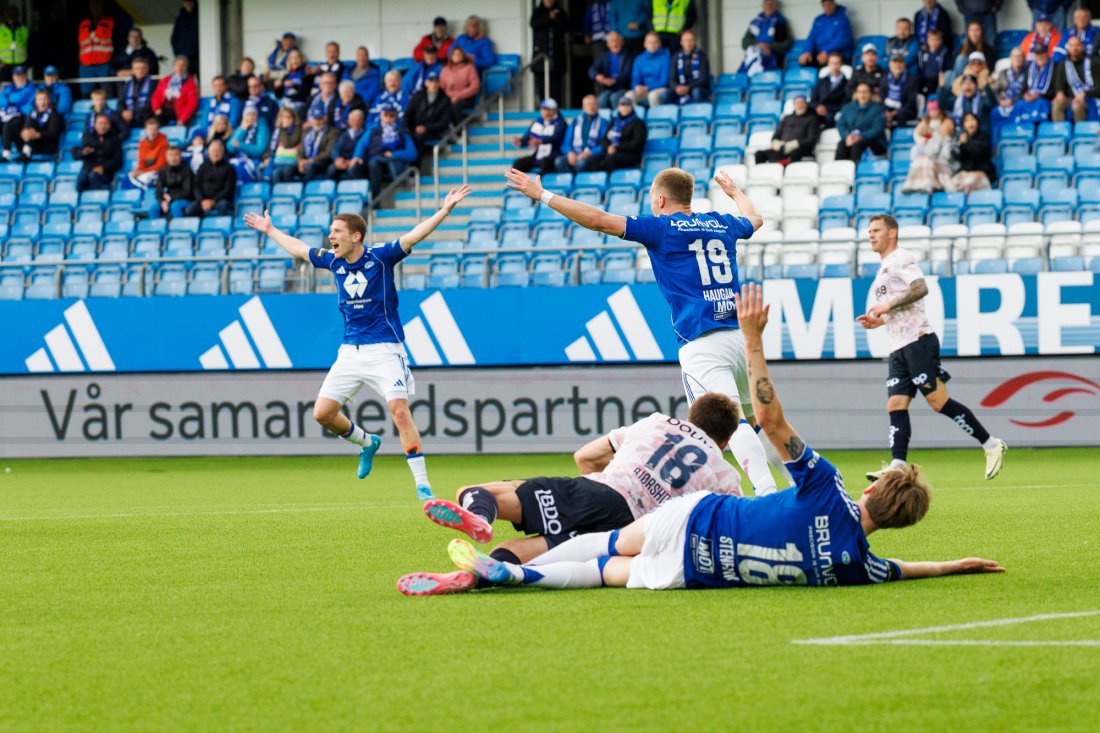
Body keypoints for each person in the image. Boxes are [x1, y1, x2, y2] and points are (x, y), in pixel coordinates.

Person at [427, 283, 1005, 595]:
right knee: (603, 574)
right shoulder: (856, 563)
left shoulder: (827, 490)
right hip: (702, 569)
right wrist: (957, 564)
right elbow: (905, 568)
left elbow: (773, 423)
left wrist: (752, 342)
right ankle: (515, 574)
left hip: (692, 521)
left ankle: (506, 554)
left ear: (874, 490)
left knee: (599, 551)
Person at [503, 166, 791, 496]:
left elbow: (599, 220)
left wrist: (543, 195)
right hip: (741, 337)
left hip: (703, 342)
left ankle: (767, 495)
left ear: (660, 199)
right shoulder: (720, 221)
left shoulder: (662, 227)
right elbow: (754, 220)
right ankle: (805, 484)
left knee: (734, 421)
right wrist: (735, 194)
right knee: (760, 420)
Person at [244, 185, 473, 499]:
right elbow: (299, 249)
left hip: (385, 349)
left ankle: (422, 484)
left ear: (356, 236)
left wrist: (444, 211)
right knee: (322, 414)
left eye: (337, 231)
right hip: (349, 352)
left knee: (400, 411)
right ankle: (367, 442)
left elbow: (413, 236)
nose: (330, 236)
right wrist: (270, 230)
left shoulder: (381, 257)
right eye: (330, 231)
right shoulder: (333, 262)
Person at [407, 392, 743, 592]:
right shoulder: (724, 472)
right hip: (625, 537)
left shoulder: (657, 421)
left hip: (599, 491)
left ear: (690, 414)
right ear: (725, 441)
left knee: (481, 490)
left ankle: (479, 516)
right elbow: (732, 524)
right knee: (531, 550)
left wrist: (589, 494)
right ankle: (470, 578)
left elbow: (585, 456)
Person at [858, 216, 1007, 480]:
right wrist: (879, 321)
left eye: (876, 230)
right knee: (895, 404)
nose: (871, 235)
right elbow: (900, 308)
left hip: (918, 341)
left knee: (939, 402)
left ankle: (991, 444)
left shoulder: (901, 258)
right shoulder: (883, 268)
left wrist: (887, 306)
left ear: (892, 233)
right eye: (869, 231)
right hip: (898, 346)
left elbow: (920, 288)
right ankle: (898, 464)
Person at [991, 45, 1052, 130]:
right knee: (995, 112)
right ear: (1010, 58)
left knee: (1021, 106)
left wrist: (1018, 98)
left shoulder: (1029, 70)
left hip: (1019, 101)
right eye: (1014, 56)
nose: (1017, 59)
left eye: (1019, 56)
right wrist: (1001, 101)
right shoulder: (1003, 73)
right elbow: (995, 91)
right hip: (1005, 102)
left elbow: (1026, 89)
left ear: (1023, 58)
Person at [366, 104, 419, 199]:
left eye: (392, 115)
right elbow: (362, 145)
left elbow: (412, 154)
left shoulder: (402, 132)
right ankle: (375, 200)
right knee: (373, 164)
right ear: (381, 116)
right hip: (377, 161)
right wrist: (356, 157)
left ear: (396, 117)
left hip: (395, 163)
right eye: (386, 114)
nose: (389, 118)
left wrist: (394, 154)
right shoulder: (373, 130)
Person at [273, 109, 336, 183]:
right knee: (288, 169)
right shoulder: (307, 132)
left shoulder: (332, 132)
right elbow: (301, 150)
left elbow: (328, 153)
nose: (317, 122)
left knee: (309, 167)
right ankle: (290, 191)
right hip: (306, 162)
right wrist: (300, 161)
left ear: (324, 119)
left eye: (320, 119)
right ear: (311, 120)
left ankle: (307, 190)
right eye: (315, 119)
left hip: (321, 162)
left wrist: (310, 160)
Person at [755, 93, 818, 164]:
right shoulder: (787, 118)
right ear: (794, 105)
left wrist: (796, 143)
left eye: (802, 102)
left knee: (793, 155)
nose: (800, 105)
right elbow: (775, 136)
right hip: (782, 148)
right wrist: (776, 143)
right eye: (797, 103)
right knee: (759, 154)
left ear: (806, 105)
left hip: (799, 149)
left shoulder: (812, 119)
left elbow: (811, 139)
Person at [902, 110, 955, 193]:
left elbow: (946, 156)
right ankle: (911, 184)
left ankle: (928, 184)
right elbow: (930, 151)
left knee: (926, 160)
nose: (949, 127)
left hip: (947, 169)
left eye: (951, 124)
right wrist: (939, 138)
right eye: (946, 124)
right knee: (921, 159)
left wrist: (945, 139)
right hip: (934, 166)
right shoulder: (936, 137)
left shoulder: (955, 139)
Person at [590, 95, 646, 171]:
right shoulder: (613, 122)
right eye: (622, 105)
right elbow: (604, 140)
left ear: (631, 107)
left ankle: (614, 181)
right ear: (618, 107)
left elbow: (637, 144)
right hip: (612, 152)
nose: (625, 107)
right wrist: (608, 147)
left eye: (627, 105)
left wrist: (617, 147)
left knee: (610, 159)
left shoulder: (638, 123)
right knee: (594, 159)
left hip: (630, 155)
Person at [4, 89, 62, 162]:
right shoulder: (33, 113)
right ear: (36, 102)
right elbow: (26, 127)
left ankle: (26, 152)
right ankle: (6, 154)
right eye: (40, 99)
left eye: (45, 99)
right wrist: (24, 133)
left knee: (32, 124)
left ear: (49, 101)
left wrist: (38, 135)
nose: (42, 102)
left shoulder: (54, 115)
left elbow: (53, 133)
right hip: (30, 144)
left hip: (45, 146)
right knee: (10, 123)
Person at [1051, 35, 1100, 122]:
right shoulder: (1063, 65)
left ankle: (1080, 133)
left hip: (1091, 97)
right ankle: (1061, 133)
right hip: (1071, 98)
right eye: (1072, 46)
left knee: (1077, 106)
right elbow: (1059, 84)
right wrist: (1060, 92)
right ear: (1068, 48)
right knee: (1057, 104)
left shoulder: (1093, 63)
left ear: (1083, 47)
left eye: (1077, 45)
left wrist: (1085, 94)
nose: (1074, 48)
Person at [404, 71, 452, 158]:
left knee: (418, 137)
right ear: (426, 83)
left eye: (436, 81)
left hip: (433, 131)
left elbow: (444, 122)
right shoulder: (417, 96)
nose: (433, 84)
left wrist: (426, 128)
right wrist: (408, 127)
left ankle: (417, 165)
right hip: (415, 128)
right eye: (431, 81)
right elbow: (408, 115)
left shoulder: (445, 99)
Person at [555, 94, 609, 173]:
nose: (591, 107)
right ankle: (571, 183)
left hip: (592, 155)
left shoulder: (603, 122)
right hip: (575, 154)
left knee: (581, 164)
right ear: (583, 107)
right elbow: (565, 144)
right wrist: (570, 153)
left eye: (594, 104)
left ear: (598, 107)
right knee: (559, 162)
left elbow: (604, 144)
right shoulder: (575, 122)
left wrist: (590, 153)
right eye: (588, 104)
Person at [531, 0, 570, 106]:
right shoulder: (537, 11)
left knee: (556, 88)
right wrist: (549, 18)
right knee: (542, 87)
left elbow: (566, 27)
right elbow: (534, 25)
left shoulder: (560, 12)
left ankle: (556, 110)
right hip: (541, 58)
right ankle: (544, 109)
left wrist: (555, 18)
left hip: (556, 58)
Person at [512, 98, 566, 174]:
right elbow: (529, 136)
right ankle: (517, 185)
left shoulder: (561, 123)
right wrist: (521, 141)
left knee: (544, 162)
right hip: (537, 154)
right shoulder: (537, 122)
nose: (547, 112)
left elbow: (556, 138)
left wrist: (541, 141)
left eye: (550, 109)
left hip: (553, 154)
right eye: (544, 109)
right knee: (518, 164)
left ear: (555, 110)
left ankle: (538, 185)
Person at [834, 82, 886, 161]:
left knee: (857, 146)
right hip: (851, 138)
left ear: (871, 94)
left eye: (865, 92)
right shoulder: (847, 108)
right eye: (860, 92)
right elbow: (840, 124)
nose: (863, 95)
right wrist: (847, 136)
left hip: (873, 141)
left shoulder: (878, 109)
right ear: (856, 94)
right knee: (841, 145)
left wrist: (861, 136)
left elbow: (877, 129)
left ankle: (856, 171)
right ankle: (840, 171)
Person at [185, 138, 235, 217]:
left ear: (223, 152)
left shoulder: (229, 168)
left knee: (223, 206)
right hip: (203, 200)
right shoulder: (203, 167)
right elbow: (196, 186)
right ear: (208, 153)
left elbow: (228, 189)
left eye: (218, 150)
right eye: (213, 151)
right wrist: (202, 200)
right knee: (190, 210)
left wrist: (213, 201)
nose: (216, 153)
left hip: (220, 200)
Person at [739, 0, 791, 76]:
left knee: (753, 56)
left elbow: (786, 44)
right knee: (752, 51)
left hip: (772, 57)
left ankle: (753, 79)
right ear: (763, 6)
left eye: (771, 3)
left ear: (776, 6)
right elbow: (745, 42)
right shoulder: (755, 22)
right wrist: (758, 45)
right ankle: (751, 79)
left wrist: (769, 47)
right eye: (767, 3)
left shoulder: (781, 22)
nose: (769, 6)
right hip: (754, 53)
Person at [78, 0, 118, 96]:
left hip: (104, 63)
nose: (95, 8)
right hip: (86, 64)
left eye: (98, 6)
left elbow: (116, 41)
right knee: (85, 92)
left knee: (107, 90)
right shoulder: (83, 24)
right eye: (93, 6)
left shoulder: (110, 22)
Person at [949, 112, 996, 194]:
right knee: (950, 184)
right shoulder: (961, 138)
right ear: (963, 125)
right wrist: (960, 143)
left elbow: (978, 153)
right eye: (967, 121)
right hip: (966, 172)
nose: (970, 123)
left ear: (977, 122)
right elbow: (956, 155)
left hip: (982, 172)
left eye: (972, 120)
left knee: (970, 181)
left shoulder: (985, 137)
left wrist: (965, 144)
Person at [75, 113, 122, 192]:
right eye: (100, 123)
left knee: (93, 176)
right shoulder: (88, 137)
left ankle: (97, 199)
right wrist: (83, 152)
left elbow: (117, 161)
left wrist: (103, 167)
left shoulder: (115, 140)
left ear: (110, 125)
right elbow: (76, 153)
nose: (103, 126)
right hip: (88, 169)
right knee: (82, 179)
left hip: (105, 172)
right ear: (95, 125)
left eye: (106, 123)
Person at [799, 0, 854, 67]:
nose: (827, 7)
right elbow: (811, 38)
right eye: (824, 5)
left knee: (823, 61)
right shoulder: (819, 19)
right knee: (804, 61)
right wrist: (807, 52)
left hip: (838, 53)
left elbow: (842, 40)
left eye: (829, 4)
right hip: (820, 53)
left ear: (834, 4)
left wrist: (826, 51)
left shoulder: (843, 19)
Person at [225, 105, 269, 184]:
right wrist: (243, 129)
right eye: (248, 114)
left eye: (253, 114)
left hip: (254, 160)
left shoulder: (262, 127)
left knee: (240, 169)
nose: (251, 117)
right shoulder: (241, 128)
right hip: (238, 158)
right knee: (228, 167)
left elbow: (260, 150)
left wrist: (241, 146)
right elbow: (230, 147)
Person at [664, 29, 710, 104]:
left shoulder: (702, 56)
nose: (688, 43)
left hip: (697, 87)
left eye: (691, 40)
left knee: (696, 92)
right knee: (665, 96)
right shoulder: (675, 57)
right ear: (681, 42)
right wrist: (676, 87)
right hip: (680, 87)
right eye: (686, 40)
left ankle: (696, 114)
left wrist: (688, 87)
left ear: (695, 41)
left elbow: (703, 79)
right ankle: (673, 115)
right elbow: (672, 78)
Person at [590, 31, 634, 109]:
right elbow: (592, 70)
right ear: (608, 44)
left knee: (614, 98)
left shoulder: (628, 56)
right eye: (612, 41)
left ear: (622, 43)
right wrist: (597, 76)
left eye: (617, 40)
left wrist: (614, 80)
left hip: (623, 87)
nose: (615, 43)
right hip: (608, 88)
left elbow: (628, 74)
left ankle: (617, 120)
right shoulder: (603, 56)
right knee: (601, 100)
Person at [152, 55, 199, 127]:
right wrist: (157, 108)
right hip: (164, 110)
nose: (180, 68)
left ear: (186, 67)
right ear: (173, 67)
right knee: (153, 124)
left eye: (183, 65)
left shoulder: (190, 83)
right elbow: (156, 96)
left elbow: (192, 104)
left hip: (179, 113)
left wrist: (183, 118)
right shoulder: (165, 80)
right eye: (177, 65)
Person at [149, 144, 193, 219]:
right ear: (166, 157)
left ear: (180, 156)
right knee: (153, 209)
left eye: (176, 155)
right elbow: (159, 190)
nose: (173, 158)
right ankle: (156, 229)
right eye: (170, 155)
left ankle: (178, 229)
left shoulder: (187, 171)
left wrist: (171, 199)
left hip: (184, 199)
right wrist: (162, 201)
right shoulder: (163, 171)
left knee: (175, 206)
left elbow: (187, 192)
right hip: (168, 199)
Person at [628, 31, 670, 107]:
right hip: (643, 90)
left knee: (652, 95)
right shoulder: (639, 59)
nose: (652, 45)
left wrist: (647, 87)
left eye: (655, 42)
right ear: (645, 44)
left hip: (660, 89)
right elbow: (635, 78)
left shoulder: (665, 59)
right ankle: (637, 118)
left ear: (659, 44)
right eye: (649, 42)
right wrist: (636, 87)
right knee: (629, 96)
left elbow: (664, 81)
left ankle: (655, 118)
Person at [259, 107, 301, 181]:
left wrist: (284, 129)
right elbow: (270, 147)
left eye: (289, 117)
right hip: (276, 160)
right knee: (259, 169)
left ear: (294, 118)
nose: (286, 119)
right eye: (284, 117)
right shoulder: (276, 131)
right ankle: (265, 191)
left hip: (290, 161)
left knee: (276, 173)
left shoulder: (297, 130)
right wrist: (266, 158)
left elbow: (287, 144)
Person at [126, 116, 167, 190]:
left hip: (157, 172)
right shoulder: (142, 143)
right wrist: (139, 170)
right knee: (129, 176)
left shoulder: (163, 143)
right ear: (146, 130)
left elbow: (161, 164)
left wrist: (143, 171)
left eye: (155, 129)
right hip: (146, 170)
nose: (153, 132)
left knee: (144, 179)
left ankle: (142, 198)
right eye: (150, 129)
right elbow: (141, 161)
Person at [881, 51, 919, 129]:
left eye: (900, 62)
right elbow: (881, 97)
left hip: (905, 109)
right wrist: (886, 112)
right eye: (895, 62)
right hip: (887, 108)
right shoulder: (884, 79)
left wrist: (895, 113)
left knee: (901, 113)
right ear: (890, 64)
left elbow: (911, 101)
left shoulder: (911, 79)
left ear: (904, 64)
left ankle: (900, 136)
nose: (897, 65)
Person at [327, 108, 368, 181]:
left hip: (359, 162)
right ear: (348, 121)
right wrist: (338, 159)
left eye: (358, 120)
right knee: (332, 169)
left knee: (353, 170)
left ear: (362, 121)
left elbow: (367, 150)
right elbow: (336, 148)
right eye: (353, 120)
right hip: (344, 161)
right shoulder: (343, 135)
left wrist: (354, 160)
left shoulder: (366, 134)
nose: (355, 123)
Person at [811, 52, 849, 127]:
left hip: (834, 112)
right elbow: (813, 99)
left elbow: (846, 102)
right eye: (832, 63)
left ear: (841, 64)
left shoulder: (847, 83)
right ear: (828, 64)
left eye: (837, 63)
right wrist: (817, 106)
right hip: (818, 111)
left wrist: (826, 109)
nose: (835, 66)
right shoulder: (821, 81)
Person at [440, 46, 481, 113]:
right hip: (449, 97)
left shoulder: (470, 68)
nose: (457, 55)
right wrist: (450, 96)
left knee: (455, 105)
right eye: (454, 54)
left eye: (459, 54)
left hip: (466, 98)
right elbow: (442, 87)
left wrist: (458, 96)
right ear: (451, 56)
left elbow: (475, 87)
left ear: (463, 56)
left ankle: (460, 123)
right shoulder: (445, 69)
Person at [119, 57, 155, 128]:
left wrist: (132, 112)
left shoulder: (153, 84)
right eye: (137, 68)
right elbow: (120, 102)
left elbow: (150, 104)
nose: (140, 71)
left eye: (143, 68)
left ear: (147, 69)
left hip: (144, 115)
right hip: (129, 115)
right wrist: (123, 112)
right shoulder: (128, 84)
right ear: (133, 70)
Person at [274, 49, 310, 116]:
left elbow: (305, 93)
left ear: (302, 59)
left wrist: (293, 85)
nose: (295, 60)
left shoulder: (306, 74)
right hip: (285, 103)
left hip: (298, 103)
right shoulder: (286, 76)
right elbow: (278, 95)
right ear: (289, 60)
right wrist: (277, 87)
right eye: (292, 58)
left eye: (297, 58)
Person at [0, 6, 29, 83]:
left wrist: (27, 63)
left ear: (18, 15)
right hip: (4, 66)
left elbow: (31, 48)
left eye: (13, 13)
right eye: (9, 13)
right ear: (5, 15)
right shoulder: (1, 29)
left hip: (20, 65)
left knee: (21, 88)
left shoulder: (25, 30)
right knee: (5, 89)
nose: (11, 15)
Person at [917, 28, 950, 95]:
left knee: (930, 90)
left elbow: (945, 68)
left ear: (941, 41)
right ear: (927, 40)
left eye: (936, 40)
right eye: (931, 40)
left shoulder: (943, 53)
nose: (934, 42)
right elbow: (920, 67)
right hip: (924, 78)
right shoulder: (922, 52)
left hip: (936, 79)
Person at [171, 0, 199, 77]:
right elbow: (174, 38)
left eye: (190, 2)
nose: (188, 4)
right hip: (184, 56)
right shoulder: (180, 19)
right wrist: (178, 54)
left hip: (198, 56)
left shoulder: (200, 16)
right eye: (185, 2)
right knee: (182, 79)